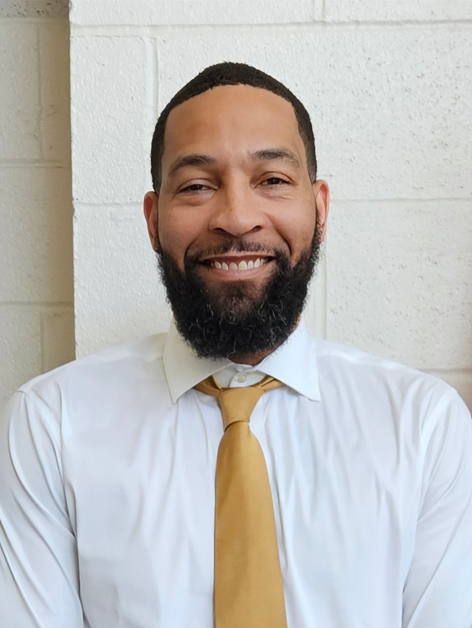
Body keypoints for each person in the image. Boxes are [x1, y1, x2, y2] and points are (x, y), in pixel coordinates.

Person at [0, 62, 471, 628]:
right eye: (197, 186)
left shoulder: (424, 426)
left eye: (272, 180)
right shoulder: (51, 424)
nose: (237, 218)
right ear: (153, 220)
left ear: (319, 209)